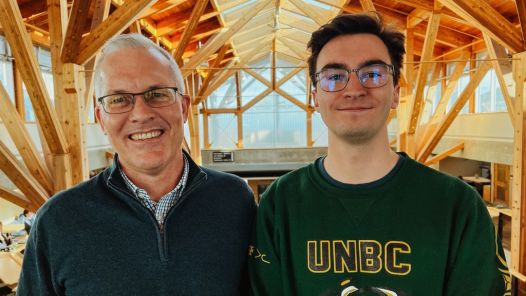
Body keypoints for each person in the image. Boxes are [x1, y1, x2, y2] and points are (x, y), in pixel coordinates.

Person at [248, 13, 511, 295]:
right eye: (334, 76)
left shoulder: (459, 207)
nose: (353, 89)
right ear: (315, 97)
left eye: (372, 74)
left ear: (396, 92)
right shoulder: (279, 204)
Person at [18, 34, 256, 295]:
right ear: (101, 119)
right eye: (119, 100)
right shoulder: (57, 221)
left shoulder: (235, 200)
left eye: (157, 94)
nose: (141, 114)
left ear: (184, 108)